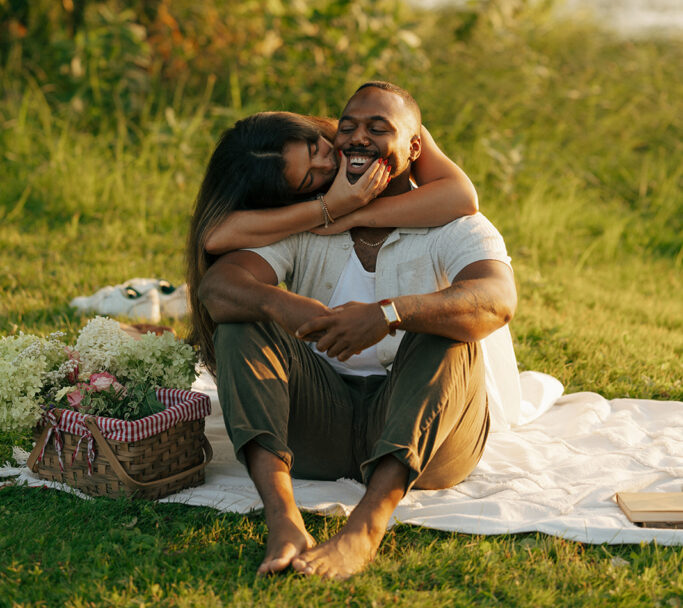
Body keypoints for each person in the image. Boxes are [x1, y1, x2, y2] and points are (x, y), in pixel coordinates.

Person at [198, 81, 517, 580]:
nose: (357, 138)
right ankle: (284, 520)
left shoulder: (455, 222)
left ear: (415, 148)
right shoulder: (310, 220)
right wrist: (284, 305)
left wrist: (389, 314)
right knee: (243, 324)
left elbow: (497, 301)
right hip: (321, 424)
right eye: (346, 128)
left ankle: (364, 531)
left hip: (429, 440)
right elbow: (218, 287)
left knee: (448, 329)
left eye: (378, 128)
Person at [187, 101, 478, 374]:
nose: (327, 165)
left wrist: (352, 213)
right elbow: (214, 238)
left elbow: (462, 197)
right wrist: (328, 207)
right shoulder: (306, 204)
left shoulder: (374, 125)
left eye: (316, 148)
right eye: (308, 178)